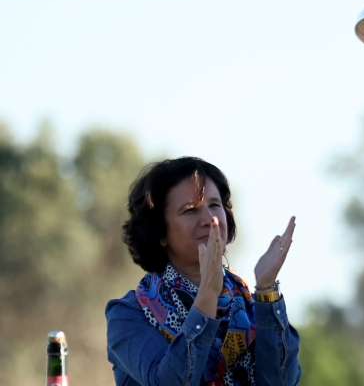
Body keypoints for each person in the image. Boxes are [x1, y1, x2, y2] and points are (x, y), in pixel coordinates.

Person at [105, 157, 301, 386]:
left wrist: (267, 289)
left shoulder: (250, 306)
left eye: (215, 205)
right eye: (189, 211)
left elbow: (280, 382)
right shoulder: (128, 314)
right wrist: (207, 296)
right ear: (159, 232)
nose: (210, 220)